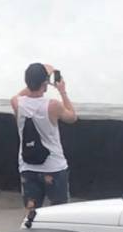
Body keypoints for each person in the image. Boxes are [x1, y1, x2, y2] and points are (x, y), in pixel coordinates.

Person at [11, 63, 77, 212]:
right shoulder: (53, 105)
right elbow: (72, 117)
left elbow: (22, 94)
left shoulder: (17, 103)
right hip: (53, 166)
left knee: (31, 213)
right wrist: (62, 92)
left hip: (28, 167)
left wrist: (40, 79)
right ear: (45, 83)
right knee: (60, 212)